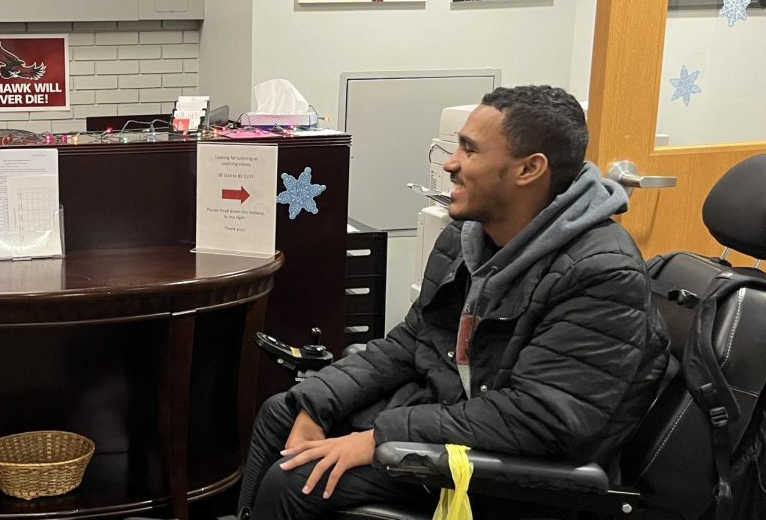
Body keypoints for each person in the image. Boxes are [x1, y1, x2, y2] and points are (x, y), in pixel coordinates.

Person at [239, 85, 670, 519]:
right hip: (454, 417)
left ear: (528, 170)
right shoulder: (468, 238)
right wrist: (318, 401)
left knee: (295, 480)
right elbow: (411, 342)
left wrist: (377, 438)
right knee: (283, 412)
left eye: (469, 150)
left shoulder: (601, 273)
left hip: (518, 470)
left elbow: (539, 419)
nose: (450, 163)